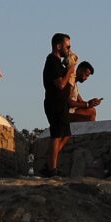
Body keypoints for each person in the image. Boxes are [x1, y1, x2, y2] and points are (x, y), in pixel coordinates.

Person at [40, 33, 77, 178]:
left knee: (66, 135)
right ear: (58, 46)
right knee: (56, 135)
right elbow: (60, 84)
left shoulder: (58, 62)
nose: (69, 49)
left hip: (62, 105)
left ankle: (49, 164)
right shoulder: (52, 61)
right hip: (54, 103)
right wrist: (69, 70)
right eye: (67, 46)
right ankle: (52, 169)